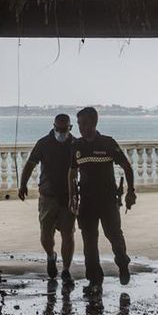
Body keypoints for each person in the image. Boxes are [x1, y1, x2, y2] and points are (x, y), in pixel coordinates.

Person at [67, 106, 136, 294]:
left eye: (85, 123)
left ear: (94, 123)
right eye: (79, 124)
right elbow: (72, 173)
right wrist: (72, 196)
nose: (81, 128)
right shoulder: (77, 146)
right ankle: (94, 280)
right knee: (89, 243)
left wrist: (131, 191)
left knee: (114, 236)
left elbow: (126, 167)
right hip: (86, 202)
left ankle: (122, 263)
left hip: (107, 201)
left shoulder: (107, 143)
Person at [18, 114, 76, 284]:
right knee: (45, 235)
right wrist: (23, 185)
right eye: (57, 128)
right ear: (53, 126)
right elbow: (30, 164)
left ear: (70, 128)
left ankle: (66, 269)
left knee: (68, 234)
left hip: (68, 197)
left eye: (64, 129)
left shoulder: (75, 144)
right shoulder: (43, 143)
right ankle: (51, 256)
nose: (60, 132)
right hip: (47, 197)